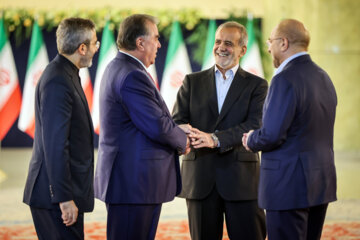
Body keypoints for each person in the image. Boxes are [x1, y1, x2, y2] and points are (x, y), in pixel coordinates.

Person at [94, 14, 190, 240]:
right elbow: (156, 125)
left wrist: (177, 129)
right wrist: (183, 140)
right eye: (155, 38)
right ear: (140, 43)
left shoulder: (120, 67)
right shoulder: (132, 75)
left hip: (131, 183)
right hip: (134, 184)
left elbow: (147, 120)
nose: (159, 44)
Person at [242, 19, 337, 240]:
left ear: (283, 43)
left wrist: (251, 139)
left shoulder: (284, 79)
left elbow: (272, 135)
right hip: (320, 183)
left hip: (288, 187)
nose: (268, 47)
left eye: (270, 41)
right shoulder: (324, 77)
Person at [172, 21, 267, 240]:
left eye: (228, 43)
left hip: (242, 180)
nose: (221, 47)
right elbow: (178, 122)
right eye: (217, 41)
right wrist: (186, 135)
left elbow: (255, 124)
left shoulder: (257, 85)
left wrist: (214, 139)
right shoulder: (191, 82)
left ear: (242, 50)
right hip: (200, 180)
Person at [23, 17, 99, 239]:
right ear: (82, 48)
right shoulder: (58, 80)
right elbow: (56, 145)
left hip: (61, 194)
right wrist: (64, 198)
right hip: (56, 198)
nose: (96, 48)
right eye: (95, 43)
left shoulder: (66, 73)